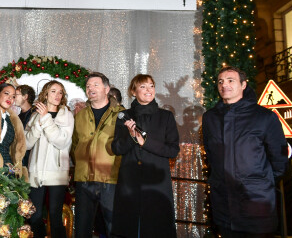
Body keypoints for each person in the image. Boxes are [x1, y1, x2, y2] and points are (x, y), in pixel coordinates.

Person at [202, 66, 288, 237]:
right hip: (224, 204)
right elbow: (211, 154)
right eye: (220, 82)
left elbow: (279, 159)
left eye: (230, 80)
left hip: (257, 204)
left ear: (243, 85)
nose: (224, 85)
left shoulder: (264, 117)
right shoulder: (210, 118)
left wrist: (261, 182)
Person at [111, 74, 180, 238]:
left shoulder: (166, 116)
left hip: (157, 182)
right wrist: (131, 136)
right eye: (142, 86)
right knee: (128, 227)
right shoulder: (124, 116)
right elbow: (116, 149)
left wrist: (144, 143)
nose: (148, 90)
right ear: (133, 92)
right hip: (129, 182)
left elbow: (172, 150)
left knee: (156, 228)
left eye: (151, 86)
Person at [71, 72, 124, 238]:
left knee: (113, 227)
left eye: (95, 85)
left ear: (106, 89)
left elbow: (125, 146)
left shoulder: (121, 114)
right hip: (84, 179)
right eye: (88, 86)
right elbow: (74, 145)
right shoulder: (80, 115)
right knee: (82, 229)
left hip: (110, 179)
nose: (90, 88)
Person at [25, 80, 74, 238]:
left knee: (55, 216)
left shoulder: (67, 115)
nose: (58, 95)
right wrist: (38, 124)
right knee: (36, 216)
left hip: (57, 172)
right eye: (53, 91)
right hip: (36, 172)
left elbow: (61, 142)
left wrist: (46, 118)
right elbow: (27, 143)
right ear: (45, 94)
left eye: (60, 92)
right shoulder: (34, 116)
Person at [0, 83, 26, 176]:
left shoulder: (11, 120)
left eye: (13, 96)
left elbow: (9, 150)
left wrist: (13, 170)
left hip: (7, 168)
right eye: (6, 93)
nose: (10, 98)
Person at [14, 84, 36, 167]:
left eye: (16, 95)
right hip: (20, 160)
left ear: (25, 96)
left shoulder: (35, 114)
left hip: (30, 162)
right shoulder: (19, 116)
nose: (14, 97)